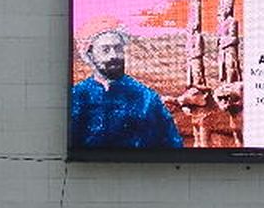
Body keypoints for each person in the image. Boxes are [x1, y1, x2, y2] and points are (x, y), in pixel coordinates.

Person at [70, 20, 183, 150]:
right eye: (105, 50)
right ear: (89, 54)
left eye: (118, 48)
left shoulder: (146, 99)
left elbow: (172, 145)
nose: (114, 56)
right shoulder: (77, 97)